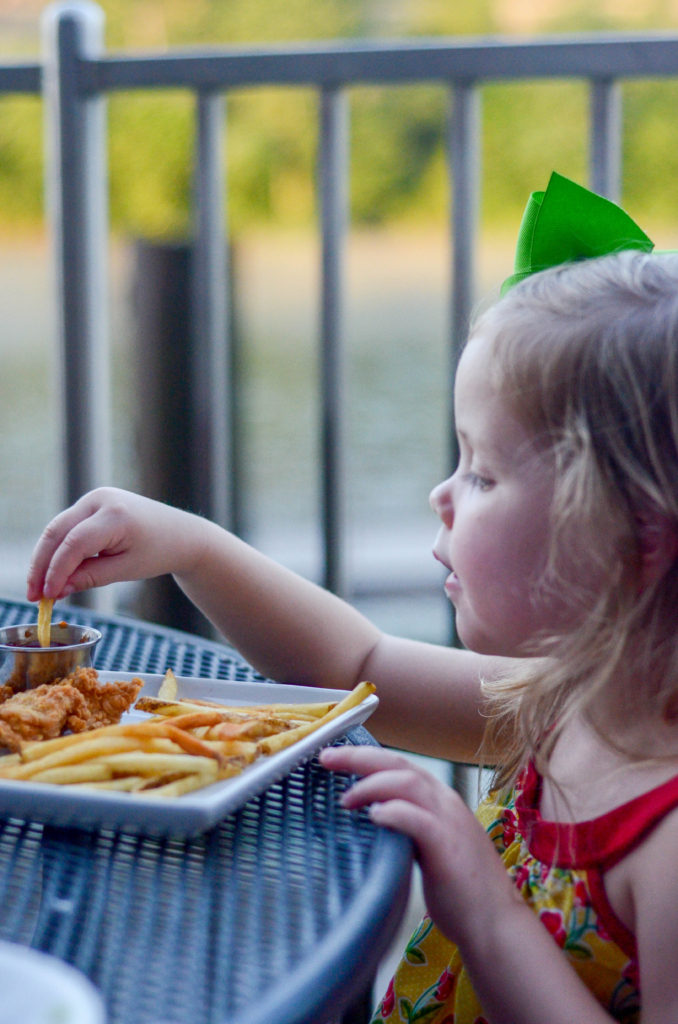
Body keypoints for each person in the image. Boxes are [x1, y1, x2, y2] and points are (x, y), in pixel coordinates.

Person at [26, 173, 678, 1023]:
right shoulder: (568, 702)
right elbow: (358, 664)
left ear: (636, 536)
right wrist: (193, 546)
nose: (443, 495)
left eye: (482, 471)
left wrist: (485, 913)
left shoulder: (665, 839)